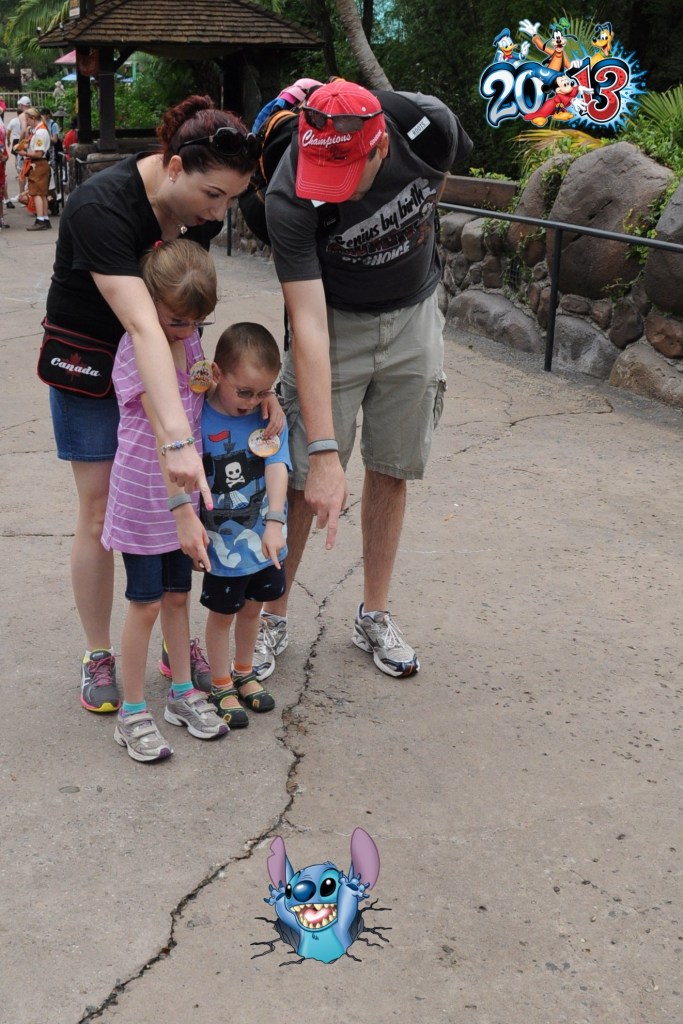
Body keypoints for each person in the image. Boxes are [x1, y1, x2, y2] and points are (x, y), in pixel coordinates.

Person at [41, 94, 260, 713]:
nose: (218, 214)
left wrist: (238, 395)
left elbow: (179, 321)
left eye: (230, 199)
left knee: (173, 512)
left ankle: (173, 640)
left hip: (166, 361)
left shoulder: (200, 214)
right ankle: (98, 652)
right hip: (93, 365)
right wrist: (178, 442)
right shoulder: (100, 208)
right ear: (173, 168)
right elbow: (142, 327)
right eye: (212, 195)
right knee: (101, 508)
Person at [261, 79, 472, 678]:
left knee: (392, 465)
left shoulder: (430, 130)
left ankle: (373, 614)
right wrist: (326, 450)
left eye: (343, 171)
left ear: (379, 147)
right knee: (304, 475)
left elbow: (435, 188)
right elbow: (307, 322)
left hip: (413, 313)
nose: (326, 188)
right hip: (333, 320)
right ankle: (272, 616)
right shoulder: (289, 194)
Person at [102, 239, 230, 760]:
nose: (185, 332)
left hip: (183, 492)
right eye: (176, 321)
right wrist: (182, 510)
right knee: (147, 603)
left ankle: (181, 691)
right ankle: (133, 711)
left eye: (195, 323)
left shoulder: (192, 341)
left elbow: (201, 397)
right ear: (150, 302)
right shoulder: (138, 348)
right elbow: (162, 433)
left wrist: (260, 398)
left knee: (179, 597)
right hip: (146, 492)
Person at [200, 323, 290, 728]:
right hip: (221, 546)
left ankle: (243, 671)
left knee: (253, 611)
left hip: (264, 540)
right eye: (245, 392)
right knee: (222, 614)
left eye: (263, 392)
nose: (253, 401)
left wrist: (275, 520)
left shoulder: (267, 418)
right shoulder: (197, 416)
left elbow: (276, 465)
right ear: (218, 374)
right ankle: (220, 682)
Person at [23, 108, 52, 230]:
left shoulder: (40, 132)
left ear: (33, 118)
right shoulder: (40, 130)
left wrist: (23, 153)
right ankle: (44, 218)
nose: (27, 122)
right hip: (42, 164)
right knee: (43, 193)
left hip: (38, 164)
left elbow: (38, 154)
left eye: (27, 119)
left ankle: (40, 219)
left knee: (36, 193)